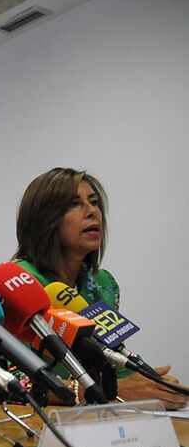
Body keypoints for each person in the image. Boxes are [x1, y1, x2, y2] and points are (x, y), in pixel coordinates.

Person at [13, 167, 186, 409]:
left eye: (94, 202)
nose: (92, 211)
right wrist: (109, 391)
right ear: (44, 219)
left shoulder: (103, 284)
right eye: (75, 204)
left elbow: (110, 360)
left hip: (86, 418)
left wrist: (153, 384)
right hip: (24, 420)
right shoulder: (19, 283)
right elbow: (6, 378)